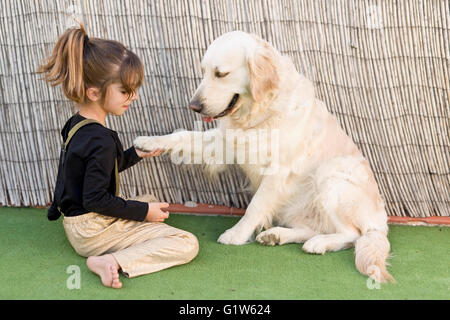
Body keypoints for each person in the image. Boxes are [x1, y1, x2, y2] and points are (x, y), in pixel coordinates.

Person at [37, 23, 199, 289]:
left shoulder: (76, 124)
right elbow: (96, 198)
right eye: (125, 91)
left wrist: (135, 154)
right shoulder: (101, 139)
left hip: (75, 222)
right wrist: (143, 212)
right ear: (94, 92)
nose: (133, 97)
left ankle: (117, 237)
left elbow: (83, 172)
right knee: (185, 242)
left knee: (147, 200)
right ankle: (110, 260)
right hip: (92, 231)